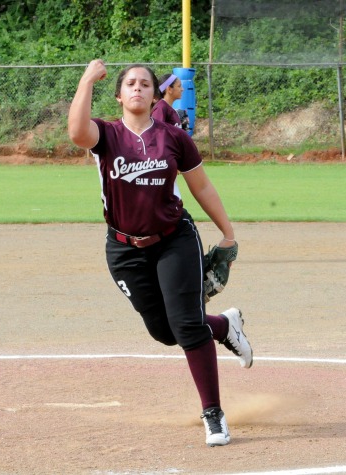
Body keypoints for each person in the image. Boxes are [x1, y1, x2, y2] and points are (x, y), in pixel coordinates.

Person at [67, 59, 253, 447]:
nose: (138, 88)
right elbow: (75, 132)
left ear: (155, 96)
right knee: (164, 332)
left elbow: (201, 187)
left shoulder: (173, 137)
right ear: (118, 95)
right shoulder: (105, 135)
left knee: (185, 326)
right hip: (124, 250)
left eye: (145, 84)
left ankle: (213, 413)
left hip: (174, 239)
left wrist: (227, 233)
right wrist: (86, 79)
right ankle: (222, 326)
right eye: (130, 83)